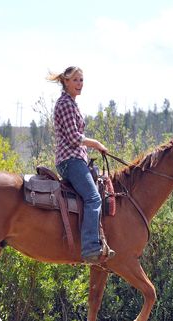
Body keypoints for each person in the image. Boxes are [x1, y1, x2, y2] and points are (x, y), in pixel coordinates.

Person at [47, 66, 115, 264]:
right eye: (76, 80)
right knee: (93, 198)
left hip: (77, 159)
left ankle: (99, 239)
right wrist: (96, 144)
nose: (79, 84)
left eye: (81, 80)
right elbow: (73, 137)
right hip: (71, 160)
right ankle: (90, 248)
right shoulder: (65, 104)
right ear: (66, 82)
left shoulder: (72, 103)